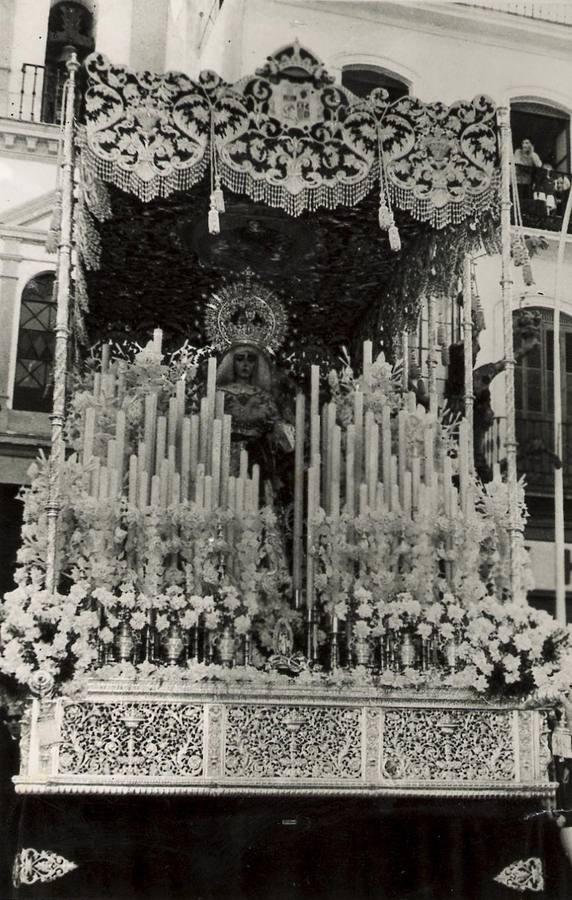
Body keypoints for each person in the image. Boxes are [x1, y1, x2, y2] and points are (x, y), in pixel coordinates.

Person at [216, 342, 294, 499]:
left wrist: (284, 430)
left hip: (258, 456)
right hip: (225, 454)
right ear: (232, 362)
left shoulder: (264, 397)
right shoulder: (220, 394)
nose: (245, 364)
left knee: (258, 498)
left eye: (250, 360)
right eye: (240, 359)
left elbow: (277, 427)